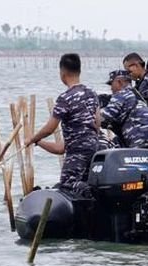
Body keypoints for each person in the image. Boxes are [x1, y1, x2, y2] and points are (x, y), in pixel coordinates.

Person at [26, 53, 101, 197]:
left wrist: (32, 138)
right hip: (94, 147)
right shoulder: (91, 93)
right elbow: (98, 122)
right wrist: (39, 141)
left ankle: (88, 191)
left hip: (77, 151)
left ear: (63, 73)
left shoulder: (65, 98)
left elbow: (50, 128)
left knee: (67, 185)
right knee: (85, 182)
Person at [100, 69, 148, 153]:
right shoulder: (137, 95)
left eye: (111, 84)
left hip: (140, 137)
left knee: (132, 164)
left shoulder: (122, 93)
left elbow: (106, 116)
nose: (111, 88)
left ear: (119, 82)